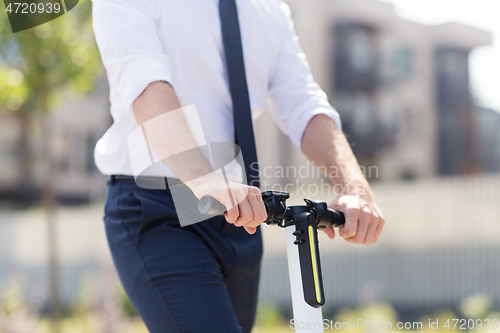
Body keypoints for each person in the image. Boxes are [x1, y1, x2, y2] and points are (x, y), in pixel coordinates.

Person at [92, 0, 385, 332]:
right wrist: (205, 178)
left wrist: (355, 189)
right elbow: (145, 83)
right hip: (158, 206)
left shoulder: (269, 9)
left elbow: (303, 102)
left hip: (240, 211)